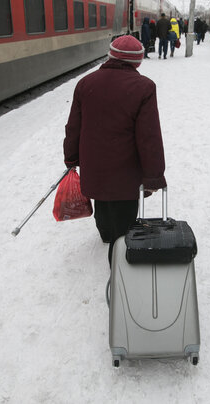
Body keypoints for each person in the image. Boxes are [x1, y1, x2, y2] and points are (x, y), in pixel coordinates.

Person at [63, 35, 167, 266]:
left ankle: (106, 233)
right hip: (126, 168)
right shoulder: (144, 87)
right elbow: (149, 136)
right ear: (137, 62)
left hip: (94, 164)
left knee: (102, 200)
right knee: (123, 216)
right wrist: (153, 176)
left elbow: (74, 126)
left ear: (110, 55)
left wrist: (70, 157)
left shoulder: (86, 83)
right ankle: (120, 268)